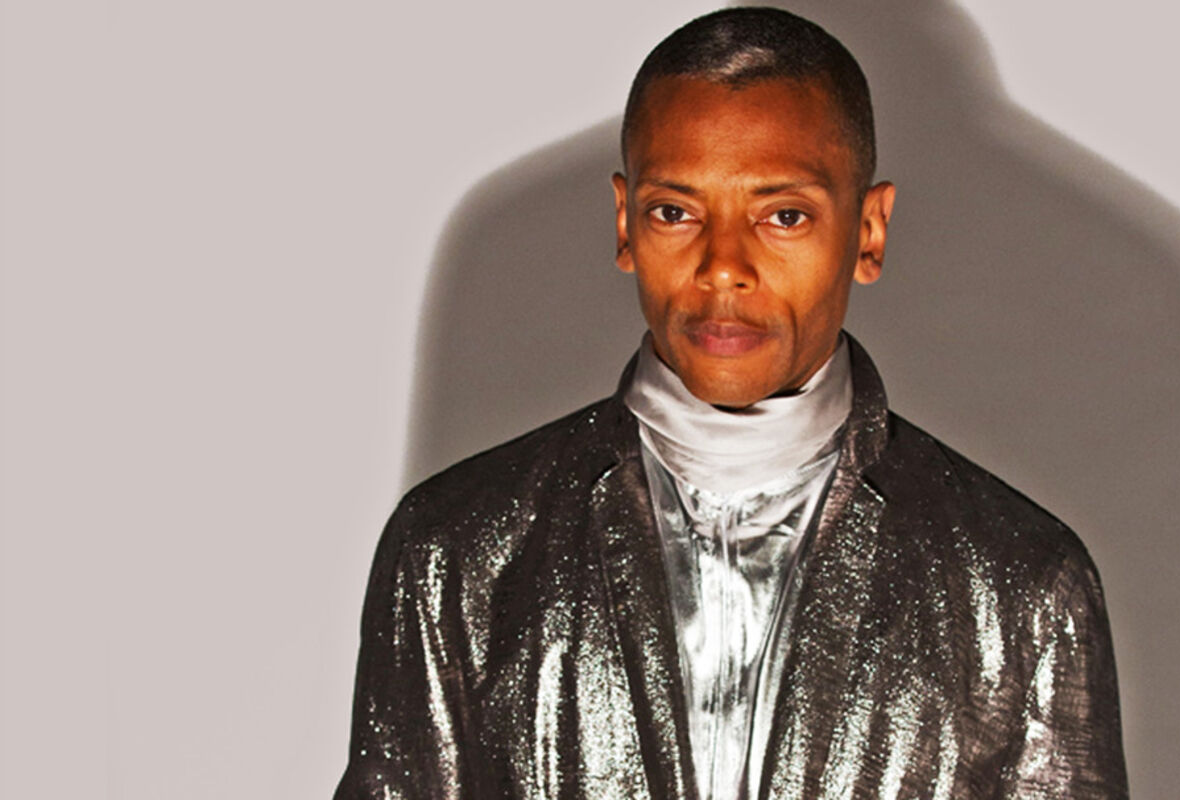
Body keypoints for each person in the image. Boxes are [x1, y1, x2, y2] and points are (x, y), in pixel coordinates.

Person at [333, 8, 1127, 799]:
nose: (722, 266)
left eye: (784, 216)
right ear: (625, 224)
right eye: (675, 212)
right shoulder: (456, 552)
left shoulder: (1023, 587)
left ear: (868, 232)